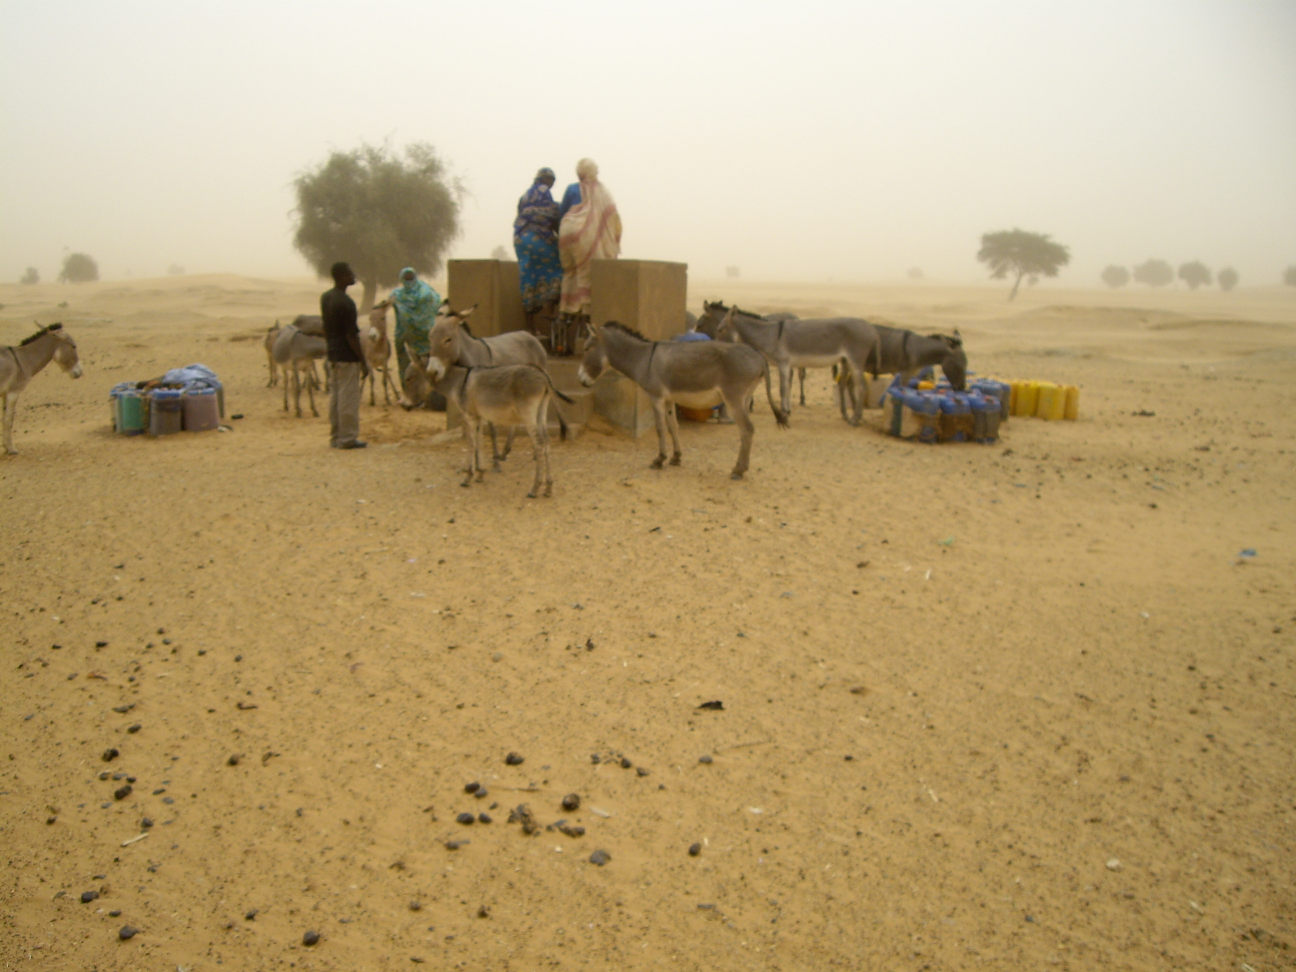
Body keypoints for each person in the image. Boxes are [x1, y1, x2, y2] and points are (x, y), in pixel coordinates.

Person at [557, 158, 621, 354]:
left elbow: (561, 212)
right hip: (586, 236)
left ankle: (563, 337)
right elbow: (613, 219)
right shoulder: (602, 192)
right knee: (588, 281)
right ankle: (586, 336)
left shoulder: (571, 189)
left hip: (566, 231)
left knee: (569, 275)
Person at [321, 261, 367, 449]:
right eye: (349, 274)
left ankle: (336, 436)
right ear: (341, 277)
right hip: (347, 357)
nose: (353, 276)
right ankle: (347, 438)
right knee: (348, 398)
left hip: (333, 353)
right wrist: (363, 360)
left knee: (336, 397)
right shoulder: (346, 303)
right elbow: (351, 335)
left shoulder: (326, 298)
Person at [513, 167, 563, 340]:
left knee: (528, 278)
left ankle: (530, 327)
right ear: (547, 180)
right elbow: (554, 218)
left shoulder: (525, 196)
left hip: (520, 240)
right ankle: (550, 311)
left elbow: (520, 216)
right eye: (552, 181)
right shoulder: (544, 193)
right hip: (538, 239)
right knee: (556, 269)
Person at [390, 267, 441, 398]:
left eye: (410, 278)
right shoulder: (398, 295)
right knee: (407, 367)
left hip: (427, 338)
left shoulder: (426, 292)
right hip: (408, 337)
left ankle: (431, 394)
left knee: (429, 367)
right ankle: (410, 394)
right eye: (406, 278)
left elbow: (434, 304)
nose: (408, 281)